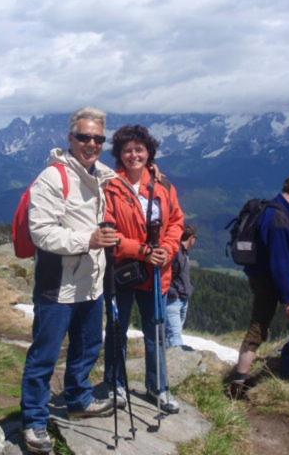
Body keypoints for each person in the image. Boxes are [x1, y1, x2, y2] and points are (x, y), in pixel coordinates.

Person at [20, 107, 118, 454]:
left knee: (88, 345)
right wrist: (88, 240)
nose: (91, 143)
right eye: (84, 137)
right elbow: (41, 233)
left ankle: (78, 398)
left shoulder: (105, 176)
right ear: (70, 138)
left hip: (91, 282)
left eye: (98, 138)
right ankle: (33, 419)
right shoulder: (51, 178)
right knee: (45, 354)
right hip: (57, 284)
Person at [102, 124, 184, 414]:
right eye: (127, 150)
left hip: (156, 272)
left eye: (139, 149)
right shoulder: (110, 187)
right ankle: (115, 385)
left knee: (155, 332)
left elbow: (176, 221)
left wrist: (168, 250)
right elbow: (108, 232)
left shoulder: (163, 186)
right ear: (119, 154)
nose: (133, 155)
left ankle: (158, 387)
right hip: (123, 270)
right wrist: (144, 251)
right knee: (116, 330)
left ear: (149, 152)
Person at [228, 171, 289, 397]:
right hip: (267, 279)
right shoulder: (279, 220)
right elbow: (281, 265)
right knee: (259, 328)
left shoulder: (277, 210)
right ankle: (237, 385)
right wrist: (287, 300)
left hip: (259, 274)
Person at [165, 224, 197, 348]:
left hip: (182, 298)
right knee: (174, 336)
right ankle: (174, 364)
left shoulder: (183, 253)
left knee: (172, 333)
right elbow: (167, 274)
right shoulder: (176, 253)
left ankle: (166, 361)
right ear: (191, 238)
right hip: (173, 299)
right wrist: (173, 292)